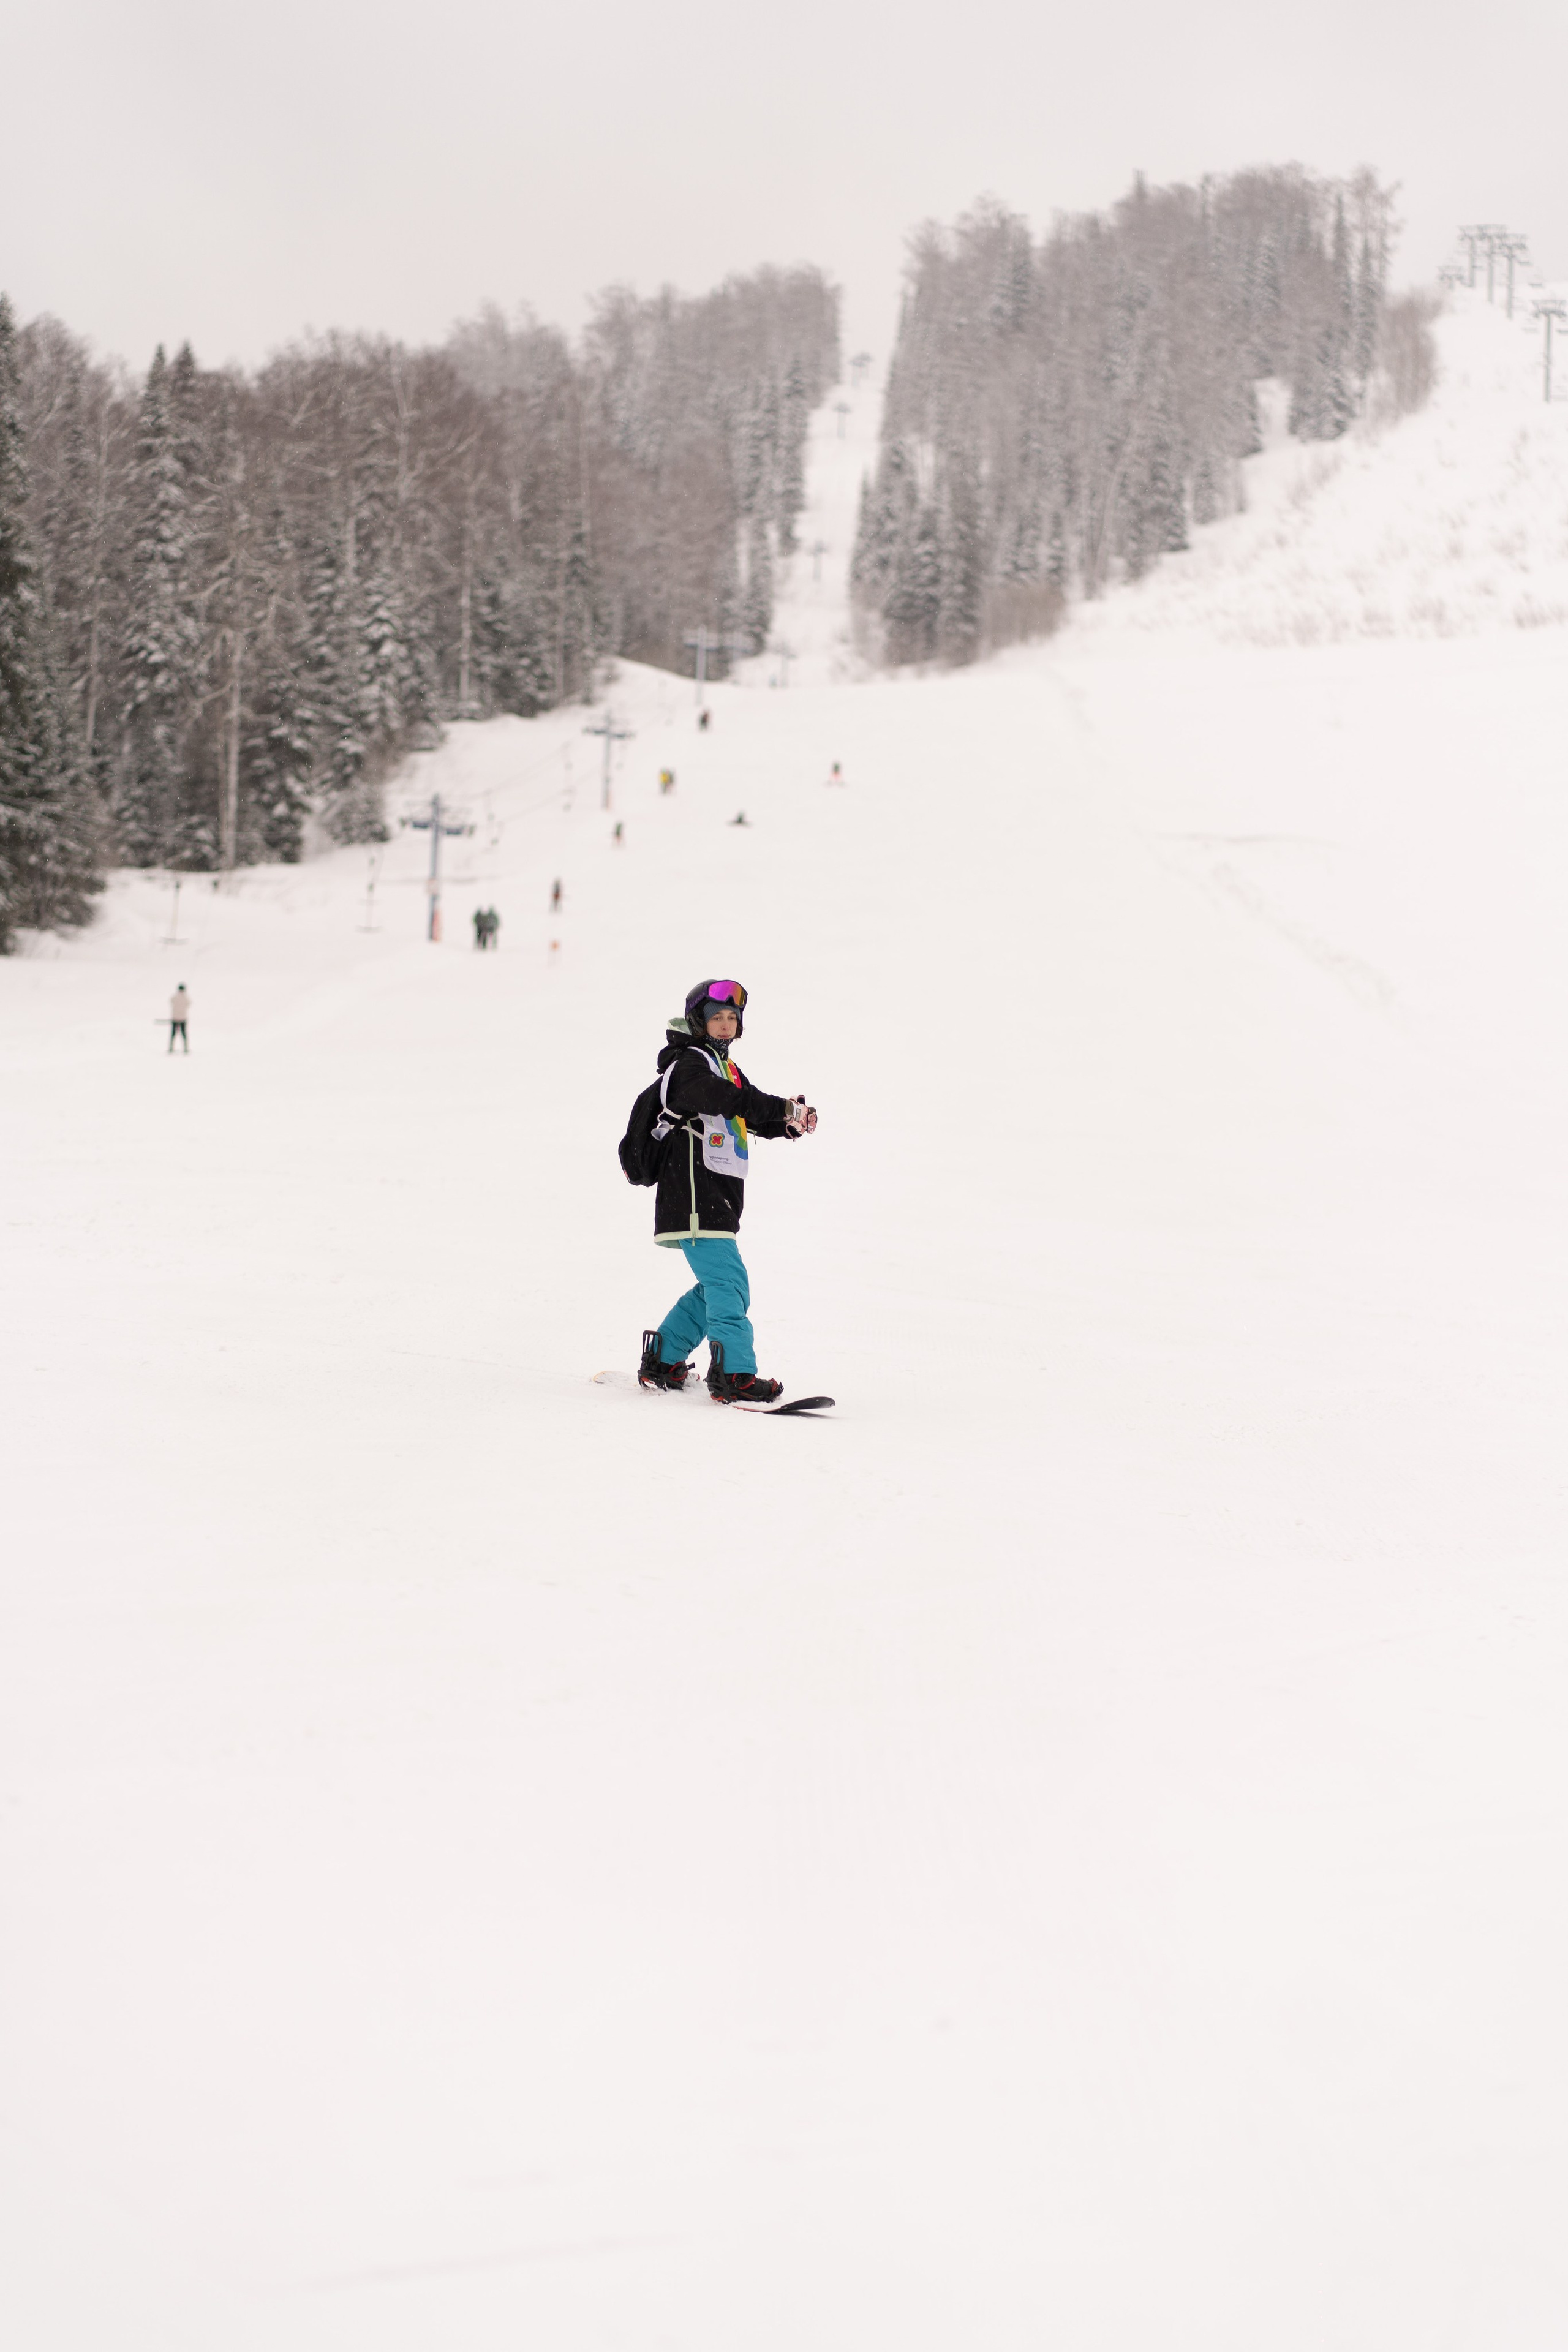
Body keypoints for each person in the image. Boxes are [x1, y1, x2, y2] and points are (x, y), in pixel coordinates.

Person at [638, 979, 817, 1404]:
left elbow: (744, 1112)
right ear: (698, 1022)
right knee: (728, 1283)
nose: (724, 1024)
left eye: (731, 1018)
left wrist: (786, 1124)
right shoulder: (690, 1063)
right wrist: (782, 1107)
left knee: (718, 1286)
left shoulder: (725, 1067)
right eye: (715, 1017)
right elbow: (729, 1099)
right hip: (693, 1194)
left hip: (715, 1195)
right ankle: (734, 1373)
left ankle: (663, 1359)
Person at [168, 984, 190, 1053]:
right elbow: (189, 1004)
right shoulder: (186, 998)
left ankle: (171, 1048)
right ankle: (186, 1048)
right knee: (184, 1034)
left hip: (175, 1018)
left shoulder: (175, 997)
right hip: (183, 1019)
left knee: (173, 1034)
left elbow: (171, 1001)